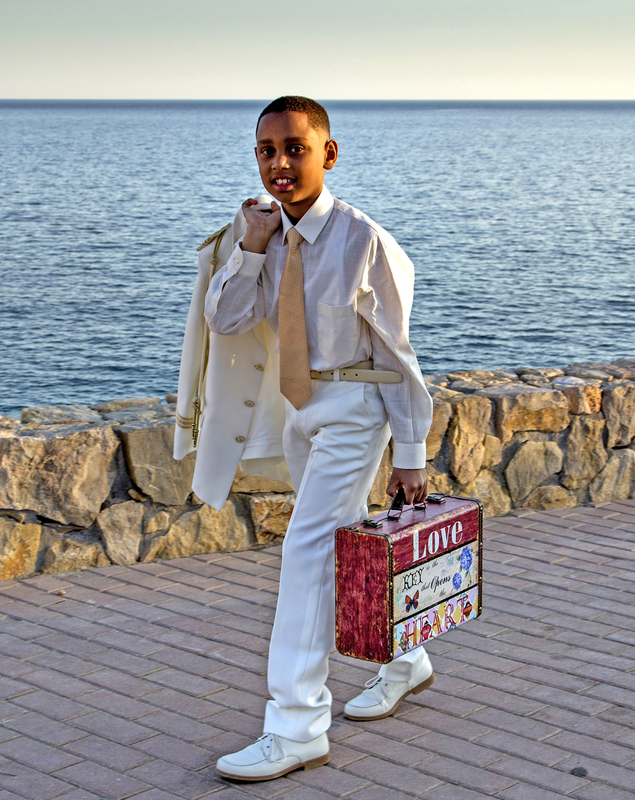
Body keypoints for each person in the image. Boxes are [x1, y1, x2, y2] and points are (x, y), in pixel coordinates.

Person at [195, 96, 436, 782]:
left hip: (356, 406)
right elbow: (227, 318)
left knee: (305, 554)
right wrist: (249, 246)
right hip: (300, 411)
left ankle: (296, 725)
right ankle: (406, 659)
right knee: (342, 545)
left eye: (295, 148)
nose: (280, 163)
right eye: (267, 150)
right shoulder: (264, 238)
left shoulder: (367, 242)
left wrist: (411, 454)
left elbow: (399, 354)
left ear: (328, 154)